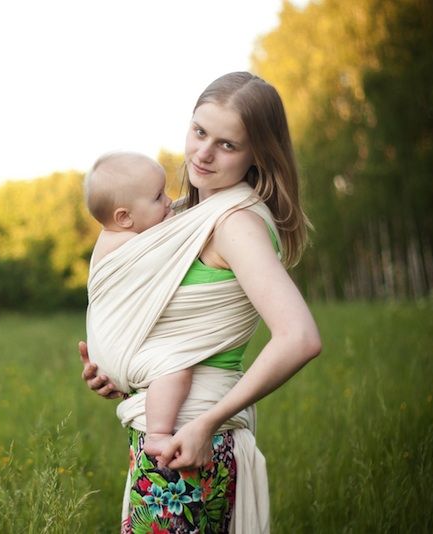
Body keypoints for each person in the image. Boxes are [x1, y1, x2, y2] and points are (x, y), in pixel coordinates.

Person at [79, 71, 322, 534]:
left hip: (189, 441)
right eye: (199, 131)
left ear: (258, 154)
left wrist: (208, 422)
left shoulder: (234, 224)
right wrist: (121, 370)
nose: (203, 153)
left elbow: (300, 338)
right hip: (167, 437)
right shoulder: (184, 220)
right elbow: (170, 332)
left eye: (228, 144)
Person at [84, 151, 191, 460]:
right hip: (118, 352)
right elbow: (180, 237)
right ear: (124, 217)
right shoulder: (131, 244)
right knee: (175, 368)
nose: (170, 201)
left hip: (105, 352)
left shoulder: (116, 236)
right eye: (159, 197)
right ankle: (158, 433)